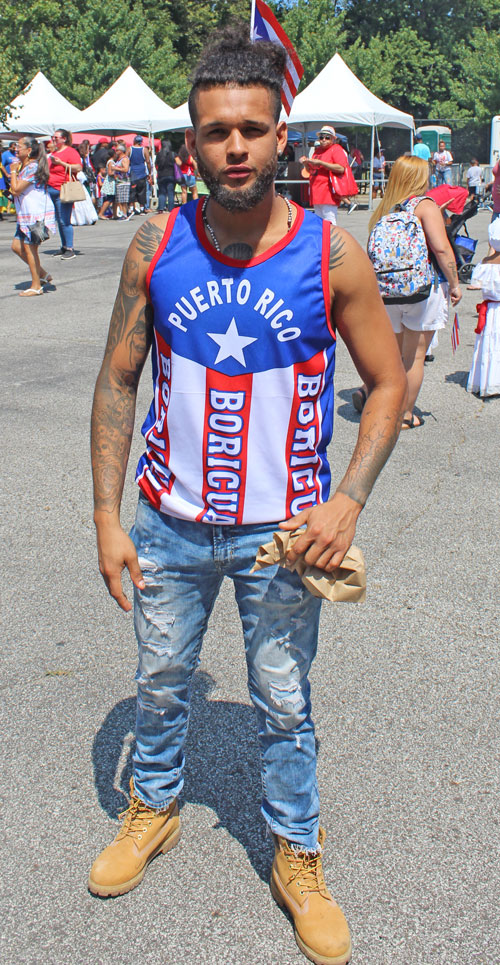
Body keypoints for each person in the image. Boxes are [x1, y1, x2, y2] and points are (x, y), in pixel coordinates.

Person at [88, 24, 407, 965]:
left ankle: (296, 854)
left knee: (281, 698)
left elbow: (387, 381)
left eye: (252, 129)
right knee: (157, 680)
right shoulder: (155, 243)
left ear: (283, 137)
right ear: (192, 142)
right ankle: (154, 808)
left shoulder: (330, 253)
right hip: (170, 523)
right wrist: (107, 517)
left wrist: (348, 498)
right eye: (216, 131)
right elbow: (117, 378)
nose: (235, 148)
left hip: (286, 532)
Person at [354, 156, 462, 428]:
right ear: (419, 178)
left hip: (387, 291)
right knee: (414, 356)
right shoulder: (424, 205)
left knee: (392, 353)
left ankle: (372, 394)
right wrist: (456, 283)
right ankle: (403, 414)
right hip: (420, 289)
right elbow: (440, 248)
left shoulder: (384, 208)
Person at [9, 137, 56, 295]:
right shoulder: (27, 166)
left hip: (34, 214)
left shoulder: (32, 167)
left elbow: (15, 190)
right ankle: (42, 274)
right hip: (26, 214)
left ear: (29, 150)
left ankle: (36, 286)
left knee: (30, 249)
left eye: (19, 146)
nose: (16, 149)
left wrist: (13, 171)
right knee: (17, 247)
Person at [466, 218, 500, 397]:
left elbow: (475, 283)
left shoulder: (485, 264)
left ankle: (486, 379)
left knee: (489, 345)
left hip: (491, 312)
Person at [299, 125, 347, 224]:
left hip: (328, 193)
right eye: (321, 137)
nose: (323, 140)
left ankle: (330, 239)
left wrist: (321, 163)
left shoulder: (336, 149)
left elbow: (341, 168)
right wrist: (305, 164)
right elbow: (311, 171)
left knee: (329, 222)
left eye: (327, 137)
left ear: (333, 139)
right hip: (316, 192)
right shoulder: (317, 151)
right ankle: (323, 239)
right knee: (319, 223)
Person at [47, 128, 82, 259]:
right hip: (52, 189)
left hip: (64, 189)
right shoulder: (55, 152)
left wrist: (61, 163)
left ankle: (70, 248)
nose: (53, 139)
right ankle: (64, 246)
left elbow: (78, 167)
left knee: (64, 220)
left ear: (64, 138)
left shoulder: (70, 152)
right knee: (59, 220)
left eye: (56, 137)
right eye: (53, 137)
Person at [128, 135, 152, 216]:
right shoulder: (144, 149)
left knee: (132, 191)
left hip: (133, 173)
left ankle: (131, 208)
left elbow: (126, 159)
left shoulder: (129, 149)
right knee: (142, 191)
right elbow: (148, 161)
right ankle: (142, 208)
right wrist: (149, 172)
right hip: (142, 172)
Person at [156, 138, 176, 213]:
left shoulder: (159, 154)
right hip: (171, 175)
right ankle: (171, 208)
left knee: (162, 192)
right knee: (170, 192)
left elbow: (156, 165)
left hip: (161, 175)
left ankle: (161, 208)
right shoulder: (173, 154)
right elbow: (179, 163)